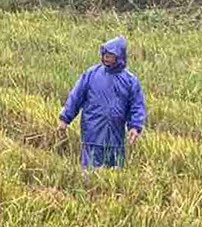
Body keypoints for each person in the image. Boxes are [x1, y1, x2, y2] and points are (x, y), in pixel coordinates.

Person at [57, 35, 147, 169]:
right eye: (104, 54)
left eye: (110, 55)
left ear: (119, 56)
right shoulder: (91, 74)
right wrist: (65, 118)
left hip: (116, 137)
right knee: (89, 171)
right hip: (92, 134)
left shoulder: (130, 81)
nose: (105, 58)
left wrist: (135, 127)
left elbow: (137, 105)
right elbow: (76, 97)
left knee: (114, 174)